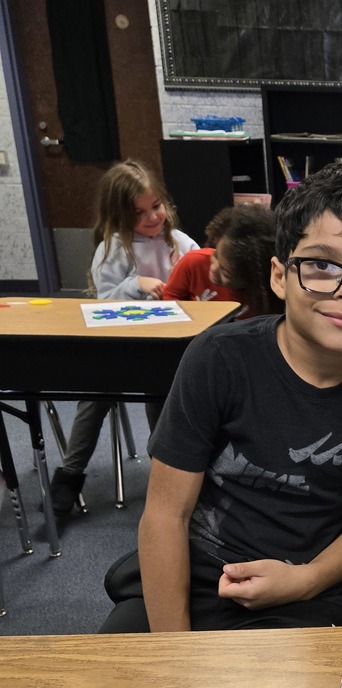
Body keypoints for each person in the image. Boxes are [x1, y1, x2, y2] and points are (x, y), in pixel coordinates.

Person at [100, 164, 342, 632]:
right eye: (320, 266)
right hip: (188, 580)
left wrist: (306, 579)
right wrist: (173, 648)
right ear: (279, 276)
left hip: (300, 595)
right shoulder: (218, 359)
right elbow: (165, 515)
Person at [50, 159, 199, 517]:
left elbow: (202, 280)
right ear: (118, 215)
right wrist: (135, 285)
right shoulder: (114, 248)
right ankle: (70, 475)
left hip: (167, 351)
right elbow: (104, 304)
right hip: (121, 350)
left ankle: (165, 476)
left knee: (163, 399)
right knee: (94, 400)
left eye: (156, 207)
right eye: (139, 212)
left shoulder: (179, 243)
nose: (152, 218)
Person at [164, 203, 284, 318]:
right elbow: (170, 296)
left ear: (250, 280)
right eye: (215, 255)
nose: (214, 268)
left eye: (225, 272)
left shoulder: (265, 299)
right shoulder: (193, 262)